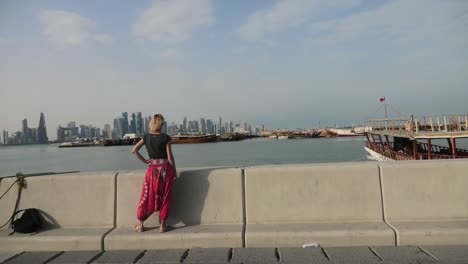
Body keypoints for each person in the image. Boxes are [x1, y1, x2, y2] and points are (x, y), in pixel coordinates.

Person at [131, 114, 176, 233]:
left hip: (152, 171)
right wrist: (174, 172)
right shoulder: (166, 138)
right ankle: (163, 225)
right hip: (166, 170)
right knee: (165, 197)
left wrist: (145, 160)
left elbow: (134, 150)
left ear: (152, 123)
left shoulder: (146, 137)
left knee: (146, 195)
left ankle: (141, 224)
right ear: (161, 124)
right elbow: (170, 157)